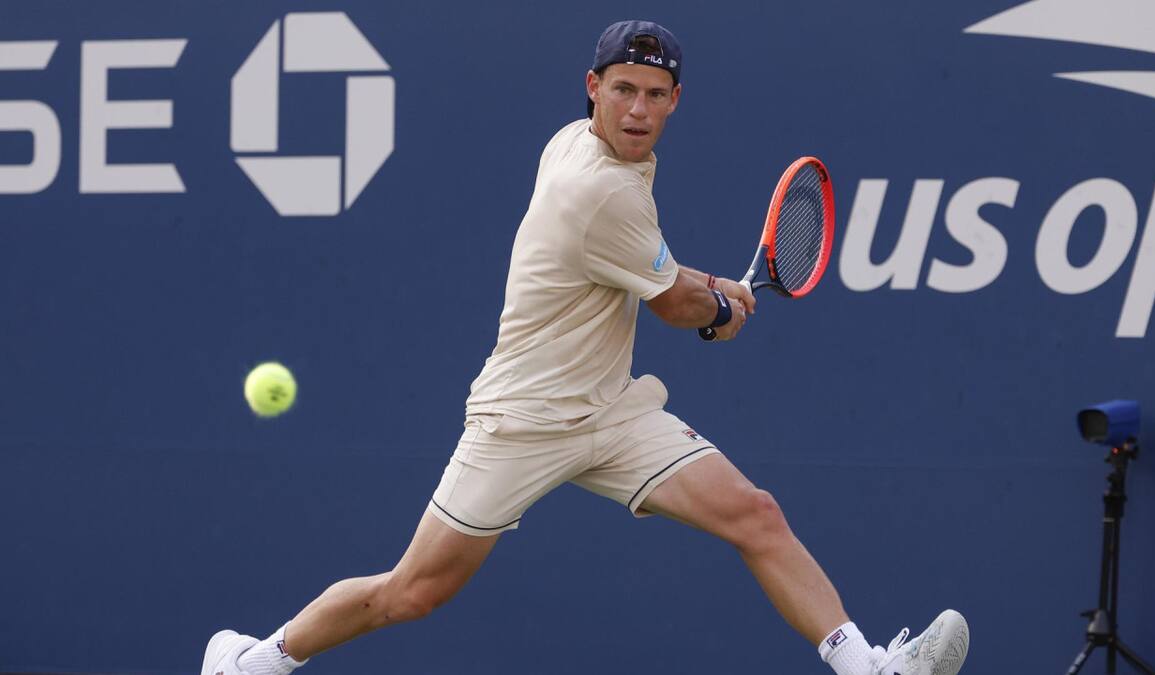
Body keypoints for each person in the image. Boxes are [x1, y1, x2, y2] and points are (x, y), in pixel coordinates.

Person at [201, 20, 969, 675]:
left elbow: (650, 266)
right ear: (593, 86)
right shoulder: (598, 189)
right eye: (624, 89)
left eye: (655, 94)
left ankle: (866, 665)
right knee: (412, 591)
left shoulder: (578, 144)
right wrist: (716, 311)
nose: (638, 109)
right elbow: (671, 302)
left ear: (675, 100)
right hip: (524, 418)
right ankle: (254, 661)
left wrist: (709, 284)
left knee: (754, 512)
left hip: (610, 410)